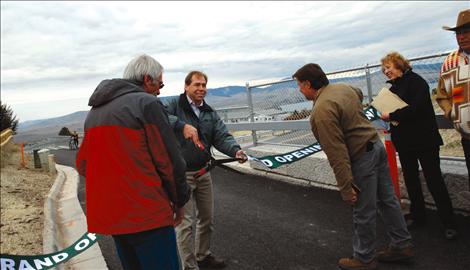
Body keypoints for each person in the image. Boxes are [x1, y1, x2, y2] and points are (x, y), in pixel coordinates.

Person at [293, 63, 413, 270]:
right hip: (376, 147)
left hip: (361, 157)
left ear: (308, 84)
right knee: (388, 200)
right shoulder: (344, 88)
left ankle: (364, 258)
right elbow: (358, 93)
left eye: (299, 86)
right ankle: (402, 245)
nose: (299, 90)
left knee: (363, 210)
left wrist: (346, 187)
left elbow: (336, 153)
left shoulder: (321, 111)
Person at [76, 54, 190, 270]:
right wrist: (180, 200)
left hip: (115, 220)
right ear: (148, 79)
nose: (159, 91)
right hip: (148, 215)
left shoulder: (94, 113)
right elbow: (169, 161)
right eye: (160, 84)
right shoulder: (147, 104)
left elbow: (83, 165)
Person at [161, 71, 247, 270]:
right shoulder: (173, 104)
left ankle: (203, 255)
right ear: (186, 87)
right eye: (197, 85)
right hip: (181, 176)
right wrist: (181, 125)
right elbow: (157, 115)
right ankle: (189, 266)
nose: (201, 89)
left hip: (204, 172)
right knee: (185, 225)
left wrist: (236, 151)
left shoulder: (208, 111)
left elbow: (222, 136)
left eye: (204, 85)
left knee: (207, 219)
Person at [380, 52, 458, 240]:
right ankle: (418, 216)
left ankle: (449, 222)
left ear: (399, 65)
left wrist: (392, 116)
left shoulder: (417, 82)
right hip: (405, 142)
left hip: (425, 140)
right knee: (411, 180)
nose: (385, 71)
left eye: (388, 67)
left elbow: (416, 109)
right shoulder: (392, 89)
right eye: (384, 69)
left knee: (434, 180)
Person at [436, 9, 470, 190]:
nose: (461, 37)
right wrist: (451, 112)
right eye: (458, 33)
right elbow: (441, 94)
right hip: (467, 136)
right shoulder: (450, 63)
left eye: (466, 31)